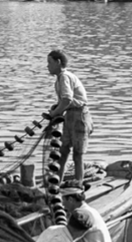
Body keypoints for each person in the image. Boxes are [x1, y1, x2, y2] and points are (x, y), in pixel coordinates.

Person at [46, 49, 92, 184]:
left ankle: (78, 186)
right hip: (70, 116)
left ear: (58, 62)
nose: (47, 66)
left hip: (79, 117)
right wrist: (56, 107)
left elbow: (67, 100)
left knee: (77, 155)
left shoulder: (65, 77)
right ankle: (57, 184)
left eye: (49, 62)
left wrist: (54, 113)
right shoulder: (60, 78)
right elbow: (64, 101)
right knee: (63, 151)